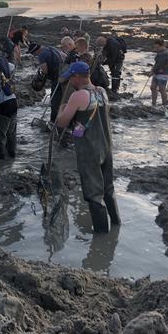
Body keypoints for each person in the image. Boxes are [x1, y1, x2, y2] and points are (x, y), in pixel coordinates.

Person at [56, 62, 119, 234]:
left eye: (71, 77)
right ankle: (115, 225)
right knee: (108, 188)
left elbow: (61, 122)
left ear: (77, 77)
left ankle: (101, 237)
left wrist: (62, 107)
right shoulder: (102, 91)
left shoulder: (78, 96)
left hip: (89, 149)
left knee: (93, 195)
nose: (70, 80)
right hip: (106, 146)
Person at [28, 42, 65, 122]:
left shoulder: (41, 55)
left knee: (55, 101)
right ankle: (62, 120)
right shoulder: (51, 48)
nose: (35, 56)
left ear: (35, 51)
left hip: (57, 78)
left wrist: (41, 79)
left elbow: (45, 70)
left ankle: (54, 121)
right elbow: (64, 56)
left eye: (33, 54)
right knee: (63, 99)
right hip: (64, 75)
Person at [150, 38, 168, 106]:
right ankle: (153, 104)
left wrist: (152, 71)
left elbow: (160, 64)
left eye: (157, 47)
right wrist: (152, 69)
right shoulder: (160, 51)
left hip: (163, 73)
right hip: (157, 72)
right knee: (153, 87)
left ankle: (165, 105)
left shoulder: (165, 53)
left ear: (161, 45)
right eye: (155, 47)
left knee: (162, 89)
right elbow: (156, 63)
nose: (156, 48)